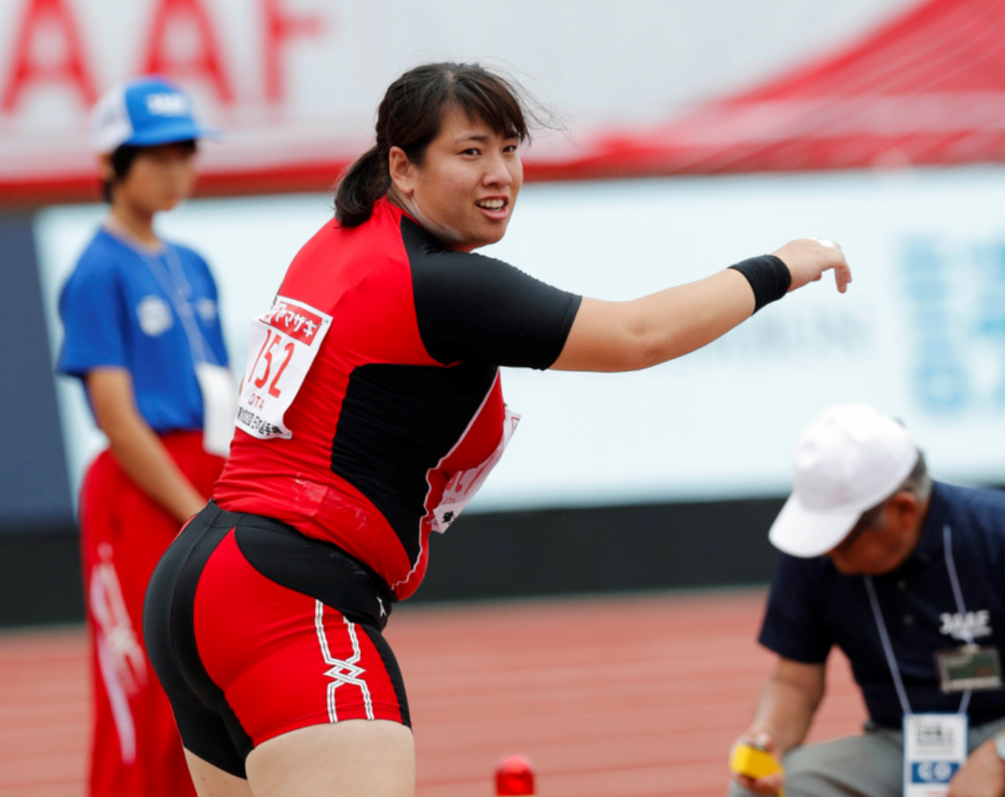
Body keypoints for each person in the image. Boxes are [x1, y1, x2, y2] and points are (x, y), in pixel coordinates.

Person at [142, 61, 851, 797]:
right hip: (286, 596)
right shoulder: (442, 287)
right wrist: (783, 266)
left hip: (206, 578)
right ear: (402, 168)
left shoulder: (344, 237)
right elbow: (640, 335)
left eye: (511, 148)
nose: (500, 174)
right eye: (471, 151)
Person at [57, 75, 235, 797]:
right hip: (144, 490)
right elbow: (117, 417)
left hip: (209, 477)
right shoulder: (97, 271)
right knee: (143, 681)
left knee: (209, 678)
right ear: (111, 164)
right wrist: (193, 509)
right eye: (154, 154)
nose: (174, 169)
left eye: (184, 151)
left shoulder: (193, 264)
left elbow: (223, 391)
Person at [728, 403, 1005, 797]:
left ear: (903, 511)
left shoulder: (995, 531)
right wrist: (766, 735)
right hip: (900, 744)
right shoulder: (813, 553)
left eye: (837, 538)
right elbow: (794, 681)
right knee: (757, 793)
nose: (824, 551)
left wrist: (999, 757)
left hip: (1001, 729)